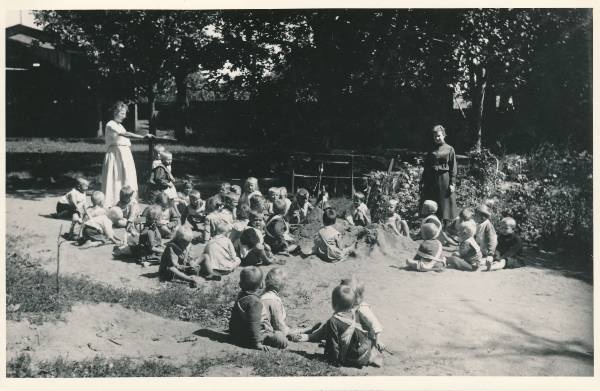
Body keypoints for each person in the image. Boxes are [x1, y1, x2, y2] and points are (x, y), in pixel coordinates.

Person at [313, 285, 382, 368]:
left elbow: (333, 344)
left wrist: (333, 360)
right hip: (366, 352)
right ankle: (370, 357)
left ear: (334, 304)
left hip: (352, 359)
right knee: (351, 332)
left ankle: (352, 356)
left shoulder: (333, 321)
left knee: (334, 338)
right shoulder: (356, 312)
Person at [101, 101, 148, 207]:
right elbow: (125, 134)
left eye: (125, 113)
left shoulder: (120, 125)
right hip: (115, 155)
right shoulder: (111, 124)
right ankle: (112, 203)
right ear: (115, 112)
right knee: (115, 177)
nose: (124, 116)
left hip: (125, 154)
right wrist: (142, 137)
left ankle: (127, 203)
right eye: (122, 113)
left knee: (127, 177)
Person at [229, 267, 285, 350]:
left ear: (240, 284)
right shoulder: (255, 302)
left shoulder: (241, 296)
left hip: (237, 335)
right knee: (281, 339)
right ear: (261, 284)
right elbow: (254, 323)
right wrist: (257, 343)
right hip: (249, 338)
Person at [260, 268, 313, 345]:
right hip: (263, 332)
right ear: (282, 286)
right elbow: (279, 326)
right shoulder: (273, 300)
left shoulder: (262, 295)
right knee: (281, 336)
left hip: (255, 326)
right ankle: (302, 332)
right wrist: (288, 332)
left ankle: (299, 330)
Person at [419, 124, 457, 231]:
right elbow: (426, 166)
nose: (437, 138)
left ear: (444, 135)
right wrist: (423, 180)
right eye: (435, 136)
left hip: (443, 179)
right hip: (431, 180)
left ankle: (445, 229)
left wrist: (452, 183)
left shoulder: (450, 149)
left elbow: (453, 167)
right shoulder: (431, 150)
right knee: (432, 202)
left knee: (444, 204)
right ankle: (432, 228)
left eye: (439, 136)